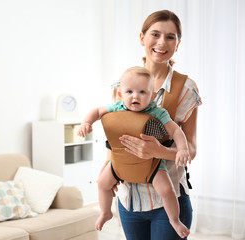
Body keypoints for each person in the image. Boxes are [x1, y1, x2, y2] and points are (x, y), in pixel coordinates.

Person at [109, 10, 202, 240]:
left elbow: (190, 149)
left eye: (171, 37)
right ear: (142, 38)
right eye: (155, 34)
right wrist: (112, 171)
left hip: (167, 201)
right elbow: (116, 136)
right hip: (129, 199)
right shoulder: (122, 85)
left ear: (177, 44)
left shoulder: (186, 89)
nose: (162, 42)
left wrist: (159, 151)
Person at [77, 66, 191, 238]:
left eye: (142, 92)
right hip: (121, 164)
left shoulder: (157, 112)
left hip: (152, 165)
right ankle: (105, 212)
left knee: (167, 191)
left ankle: (174, 220)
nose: (135, 96)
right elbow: (97, 111)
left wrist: (182, 149)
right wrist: (86, 123)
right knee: (102, 183)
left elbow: (176, 131)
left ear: (152, 96)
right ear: (121, 94)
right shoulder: (117, 107)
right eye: (129, 91)